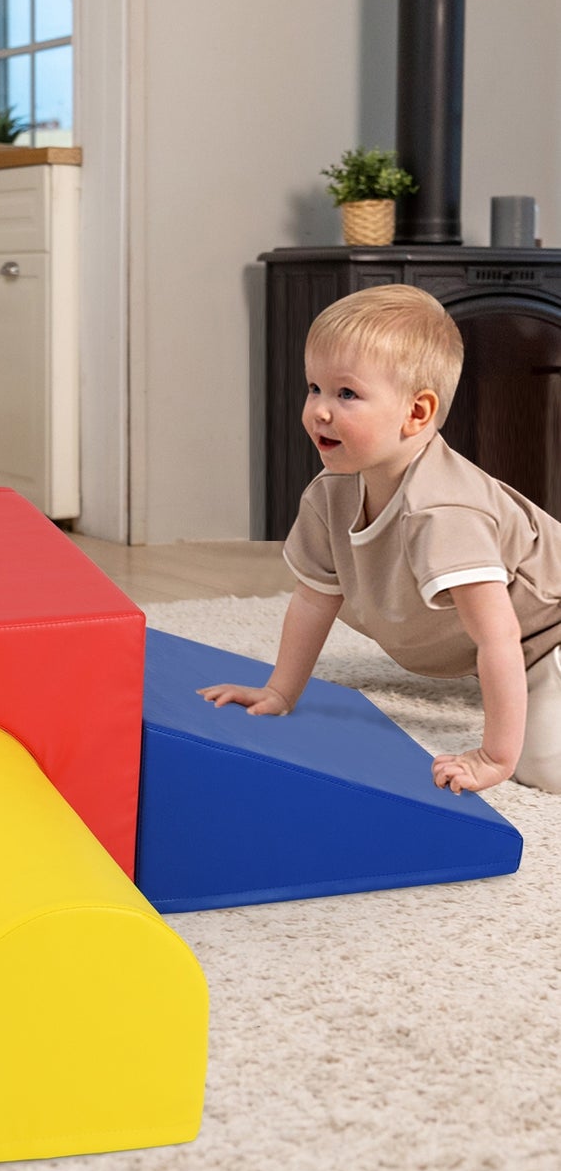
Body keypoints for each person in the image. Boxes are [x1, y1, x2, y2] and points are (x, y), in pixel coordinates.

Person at [199, 283, 561, 796]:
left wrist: (493, 757)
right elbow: (312, 598)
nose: (320, 410)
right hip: (492, 640)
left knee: (547, 769)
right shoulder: (331, 494)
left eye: (346, 394)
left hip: (545, 634)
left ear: (416, 414)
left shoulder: (444, 512)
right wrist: (279, 691)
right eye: (314, 388)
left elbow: (498, 636)